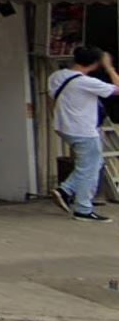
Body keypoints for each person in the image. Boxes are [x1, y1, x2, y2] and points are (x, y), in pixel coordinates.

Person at [50, 45, 118, 222]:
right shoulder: (87, 82)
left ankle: (65, 191)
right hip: (84, 130)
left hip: (64, 126)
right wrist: (110, 68)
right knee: (89, 168)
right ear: (95, 64)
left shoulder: (57, 76)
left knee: (92, 163)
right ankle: (83, 208)